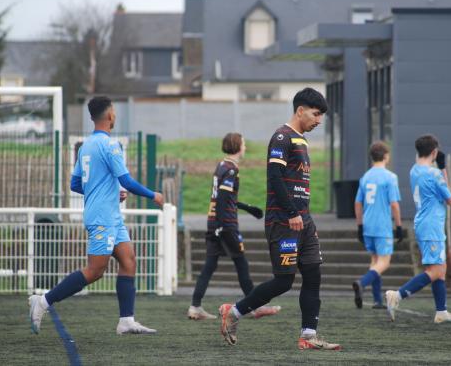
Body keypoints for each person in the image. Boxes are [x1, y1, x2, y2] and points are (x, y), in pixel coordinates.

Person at [28, 96, 165, 335]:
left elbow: (74, 183)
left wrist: (110, 191)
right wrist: (152, 195)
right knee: (95, 270)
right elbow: (126, 180)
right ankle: (43, 301)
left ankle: (126, 320)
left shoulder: (86, 146)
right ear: (110, 115)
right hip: (102, 217)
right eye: (114, 111)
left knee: (128, 260)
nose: (115, 115)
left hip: (110, 215)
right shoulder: (110, 145)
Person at [218, 88, 341, 351]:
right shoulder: (282, 137)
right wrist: (292, 213)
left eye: (321, 116)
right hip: (284, 221)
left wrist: (302, 215)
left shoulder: (302, 140)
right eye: (316, 114)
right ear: (300, 110)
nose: (318, 120)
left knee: (313, 274)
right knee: (284, 281)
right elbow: (275, 178)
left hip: (304, 221)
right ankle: (234, 311)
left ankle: (308, 336)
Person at [188, 132, 280, 320]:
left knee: (209, 265)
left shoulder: (221, 165)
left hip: (213, 222)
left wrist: (247, 208)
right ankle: (255, 306)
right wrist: (222, 226)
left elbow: (224, 196)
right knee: (241, 263)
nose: (245, 147)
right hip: (225, 224)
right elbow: (223, 198)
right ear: (237, 146)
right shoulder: (231, 169)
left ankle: (195, 307)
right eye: (244, 144)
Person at [385, 134, 451, 323]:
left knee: (439, 269)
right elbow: (449, 198)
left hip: (424, 223)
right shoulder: (433, 173)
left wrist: (440, 167)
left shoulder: (414, 170)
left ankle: (441, 311)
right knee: (435, 271)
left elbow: (441, 189)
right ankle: (397, 295)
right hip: (431, 225)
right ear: (434, 152)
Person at [353, 141, 403, 309]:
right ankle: (362, 283)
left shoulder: (365, 177)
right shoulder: (390, 177)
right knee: (384, 262)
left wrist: (359, 226)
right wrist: (399, 226)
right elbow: (394, 204)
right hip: (382, 226)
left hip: (367, 225)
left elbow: (357, 204)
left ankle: (377, 300)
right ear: (386, 156)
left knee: (375, 261)